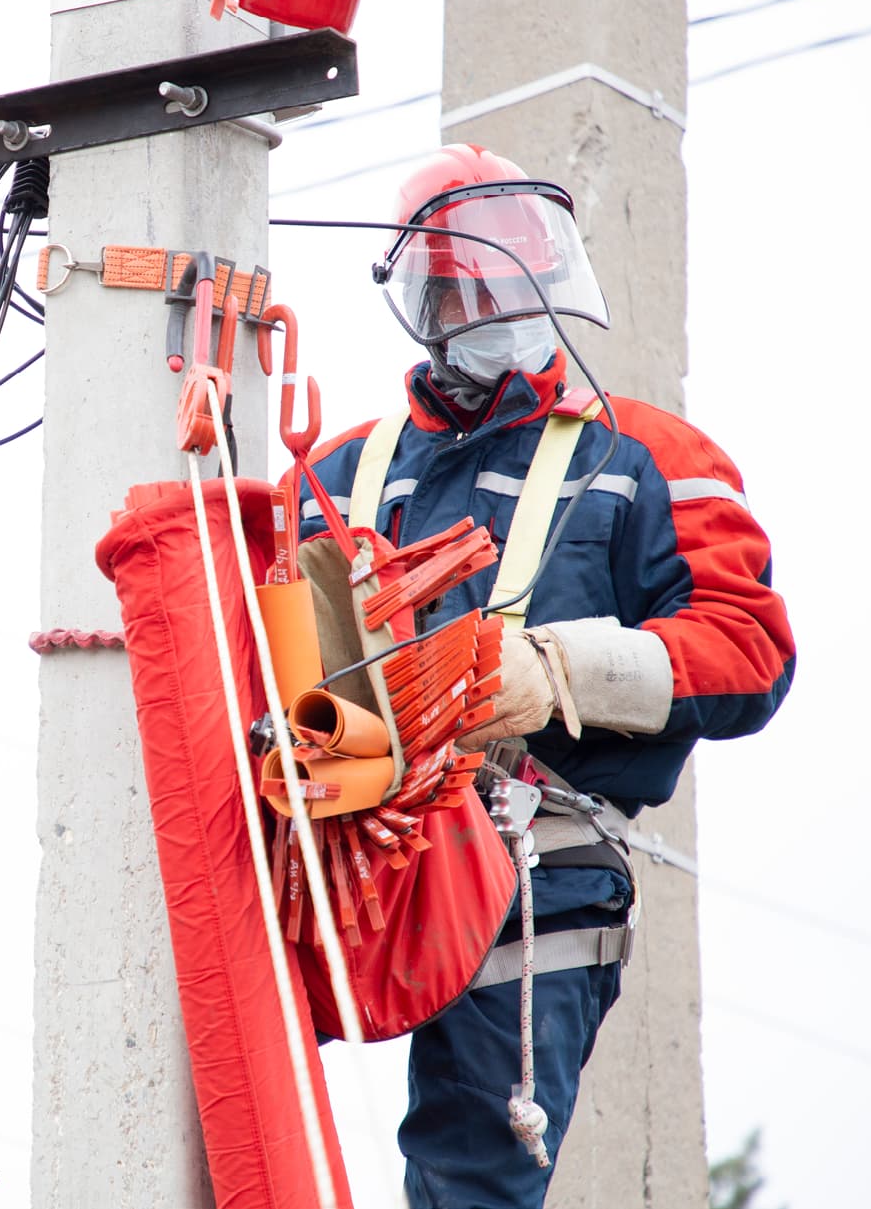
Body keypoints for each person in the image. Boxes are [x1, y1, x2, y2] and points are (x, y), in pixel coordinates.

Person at [290, 143, 796, 1207]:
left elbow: (748, 651)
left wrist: (559, 670)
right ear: (422, 298)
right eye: (466, 283)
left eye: (514, 277)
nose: (491, 304)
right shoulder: (337, 473)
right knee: (239, 1118)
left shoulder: (647, 454)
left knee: (469, 1175)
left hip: (535, 857)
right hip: (348, 855)